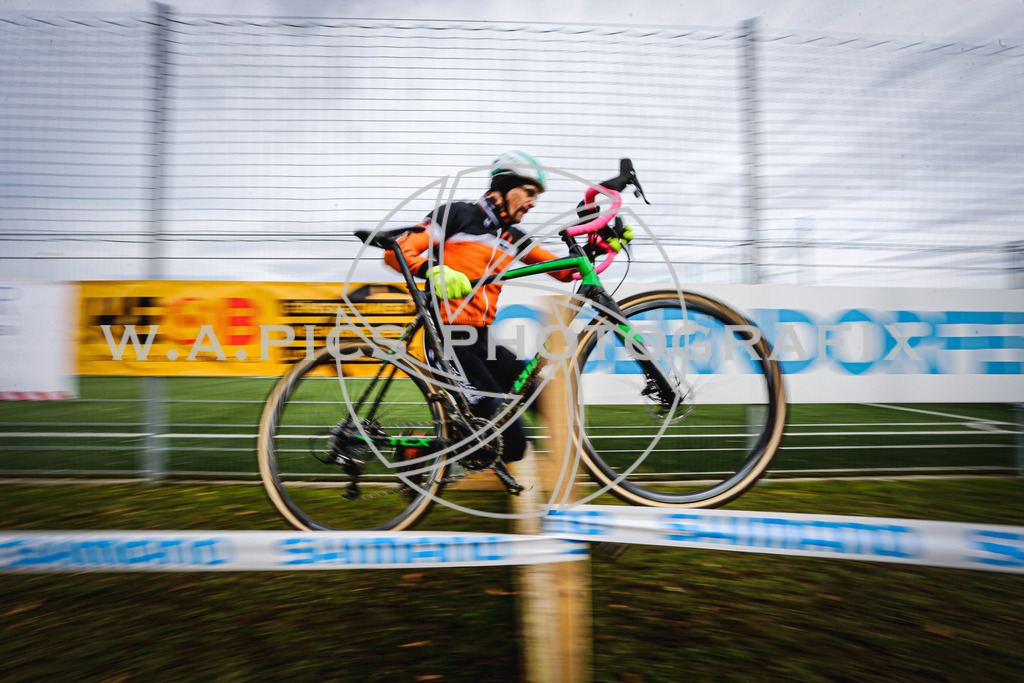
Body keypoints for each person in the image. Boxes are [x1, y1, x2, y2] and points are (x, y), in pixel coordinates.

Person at [383, 150, 630, 464]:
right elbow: (397, 252)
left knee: (547, 398)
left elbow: (564, 270)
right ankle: (417, 450)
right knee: (511, 446)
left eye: (535, 197)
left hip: (481, 340)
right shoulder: (457, 215)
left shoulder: (512, 237)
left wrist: (601, 245)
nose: (532, 203)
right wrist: (430, 269)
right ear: (503, 187)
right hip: (447, 340)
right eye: (528, 193)